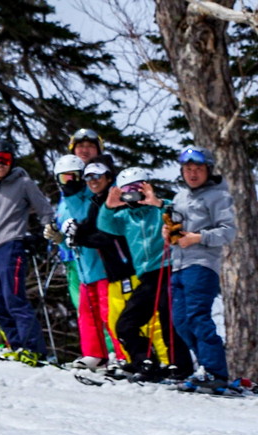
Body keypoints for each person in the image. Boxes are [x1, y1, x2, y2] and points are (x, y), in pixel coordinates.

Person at [97, 166, 192, 379]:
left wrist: (156, 201)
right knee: (126, 324)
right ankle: (145, 361)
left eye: (137, 188)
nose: (132, 194)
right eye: (127, 190)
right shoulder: (125, 217)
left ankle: (181, 366)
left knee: (169, 320)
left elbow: (177, 216)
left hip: (167, 269)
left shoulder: (157, 210)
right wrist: (109, 206)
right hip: (146, 275)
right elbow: (105, 225)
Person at [166, 146, 236, 388]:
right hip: (178, 264)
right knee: (181, 321)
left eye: (198, 169)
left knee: (198, 317)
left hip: (202, 265)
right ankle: (205, 367)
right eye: (188, 169)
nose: (193, 174)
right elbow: (177, 225)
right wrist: (170, 232)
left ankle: (216, 372)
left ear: (208, 170)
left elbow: (228, 231)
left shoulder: (218, 196)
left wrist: (198, 237)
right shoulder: (180, 196)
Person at [0, 138, 54, 362]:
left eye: (5, 160)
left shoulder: (24, 183)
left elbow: (44, 209)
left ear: (11, 162)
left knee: (14, 298)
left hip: (11, 245)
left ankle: (34, 348)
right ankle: (16, 344)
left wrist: (47, 231)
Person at [68, 161, 141, 367]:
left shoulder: (115, 200)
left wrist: (81, 237)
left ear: (109, 178)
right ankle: (126, 359)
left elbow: (108, 236)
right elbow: (91, 228)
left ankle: (137, 359)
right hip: (113, 270)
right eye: (89, 178)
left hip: (127, 267)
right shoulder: (95, 202)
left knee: (130, 319)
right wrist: (76, 230)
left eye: (98, 177)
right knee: (115, 318)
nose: (93, 181)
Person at [49, 153, 108, 369]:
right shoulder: (63, 206)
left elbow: (95, 225)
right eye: (65, 178)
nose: (70, 182)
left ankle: (118, 352)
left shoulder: (90, 197)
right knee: (86, 310)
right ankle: (95, 353)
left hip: (101, 263)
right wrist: (58, 239)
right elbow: (67, 242)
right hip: (80, 265)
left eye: (74, 177)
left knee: (107, 311)